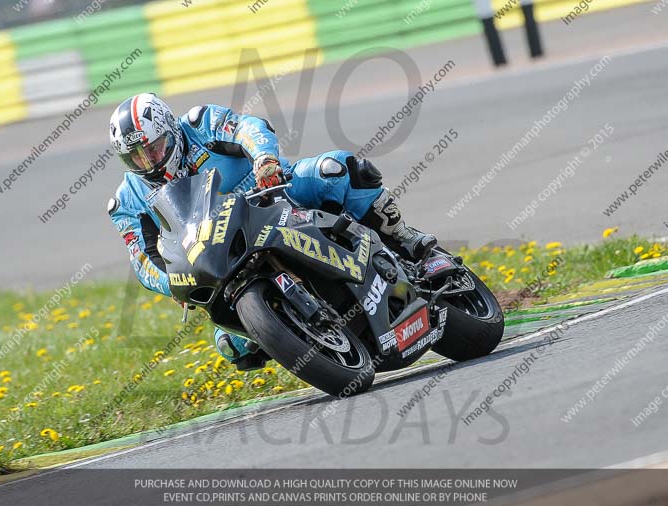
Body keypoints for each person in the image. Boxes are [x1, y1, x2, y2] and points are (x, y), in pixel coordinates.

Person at [107, 93, 436, 369]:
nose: (148, 161)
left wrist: (264, 160)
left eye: (153, 148)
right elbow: (143, 262)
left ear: (169, 129)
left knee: (336, 169)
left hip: (275, 195)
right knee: (230, 344)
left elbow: (250, 128)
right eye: (135, 157)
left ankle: (404, 240)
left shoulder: (198, 123)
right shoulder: (127, 198)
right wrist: (176, 282)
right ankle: (299, 339)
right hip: (220, 253)